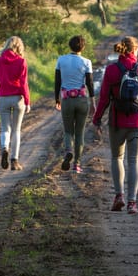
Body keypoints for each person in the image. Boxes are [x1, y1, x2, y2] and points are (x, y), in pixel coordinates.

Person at [92, 36, 138, 214]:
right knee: (134, 160)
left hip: (117, 121)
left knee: (117, 158)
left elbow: (104, 98)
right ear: (134, 50)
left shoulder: (111, 70)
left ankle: (119, 196)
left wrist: (97, 119)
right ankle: (132, 202)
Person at [54, 35, 95, 174]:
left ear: (69, 46)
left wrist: (57, 99)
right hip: (81, 99)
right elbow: (90, 83)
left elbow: (57, 82)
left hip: (67, 99)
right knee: (79, 133)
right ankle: (76, 164)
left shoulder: (61, 60)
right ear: (83, 47)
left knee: (68, 131)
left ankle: (68, 151)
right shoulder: (86, 62)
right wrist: (93, 102)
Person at [0, 36, 31, 171]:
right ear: (19, 47)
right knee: (16, 130)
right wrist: (27, 101)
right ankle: (14, 161)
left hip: (3, 98)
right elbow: (24, 83)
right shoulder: (21, 61)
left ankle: (4, 148)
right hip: (18, 98)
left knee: (5, 128)